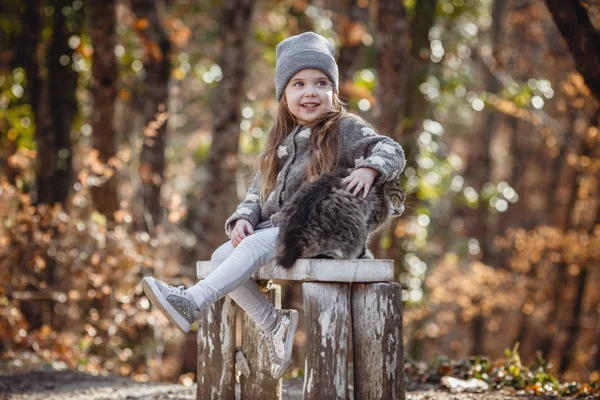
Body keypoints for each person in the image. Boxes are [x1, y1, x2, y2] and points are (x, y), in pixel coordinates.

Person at [141, 31, 406, 380]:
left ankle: (191, 303)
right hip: (281, 228)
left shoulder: (346, 128)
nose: (310, 92)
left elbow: (392, 149)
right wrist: (243, 219)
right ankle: (273, 324)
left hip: (322, 231)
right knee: (222, 256)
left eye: (321, 82)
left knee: (246, 251)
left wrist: (371, 169)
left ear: (334, 91)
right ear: (284, 95)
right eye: (298, 84)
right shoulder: (280, 140)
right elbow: (257, 191)